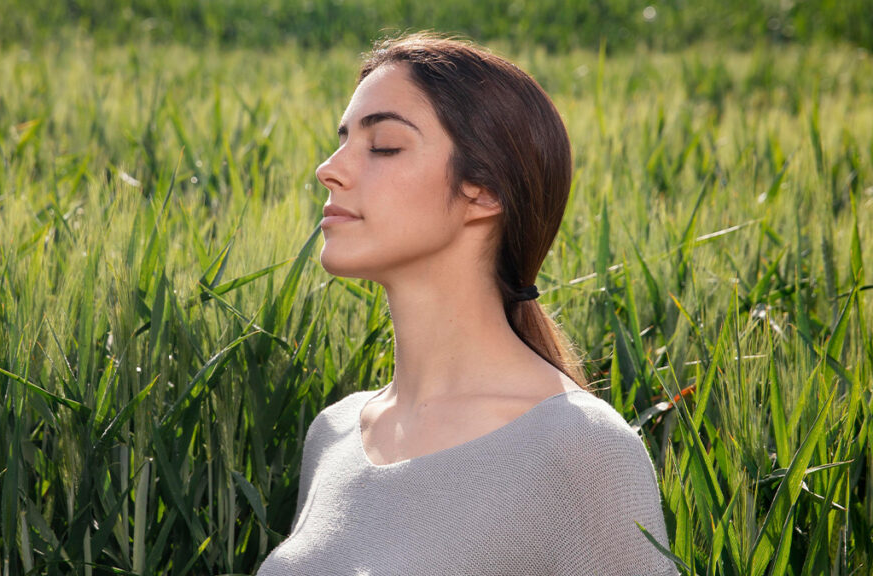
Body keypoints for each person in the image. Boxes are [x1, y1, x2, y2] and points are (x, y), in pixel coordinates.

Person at [257, 32, 679, 575]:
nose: (329, 168)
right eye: (341, 141)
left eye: (383, 145)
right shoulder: (334, 435)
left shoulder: (581, 450)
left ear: (485, 191)